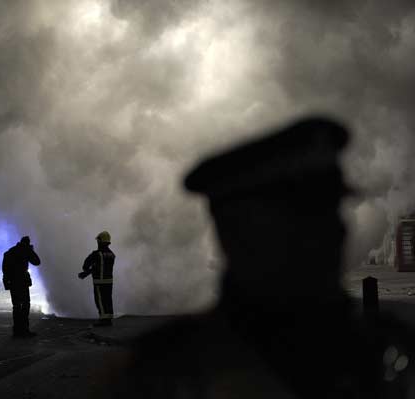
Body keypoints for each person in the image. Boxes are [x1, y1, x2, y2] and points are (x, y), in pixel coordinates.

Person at [116, 117, 415, 398]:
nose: (334, 231)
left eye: (331, 208)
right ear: (235, 231)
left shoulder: (392, 349)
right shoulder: (166, 376)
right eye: (303, 216)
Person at [2, 236, 41, 337]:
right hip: (22, 282)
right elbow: (37, 262)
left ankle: (17, 330)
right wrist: (31, 251)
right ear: (27, 244)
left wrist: (7, 282)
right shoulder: (25, 251)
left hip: (13, 282)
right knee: (25, 305)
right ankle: (24, 330)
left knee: (16, 306)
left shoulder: (9, 252)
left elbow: (5, 270)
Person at [78, 231, 116, 327]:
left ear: (100, 241)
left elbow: (85, 266)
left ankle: (103, 319)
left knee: (100, 300)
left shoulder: (96, 254)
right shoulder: (112, 254)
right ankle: (109, 318)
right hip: (109, 281)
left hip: (99, 281)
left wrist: (86, 272)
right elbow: (99, 266)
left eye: (98, 241)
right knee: (108, 299)